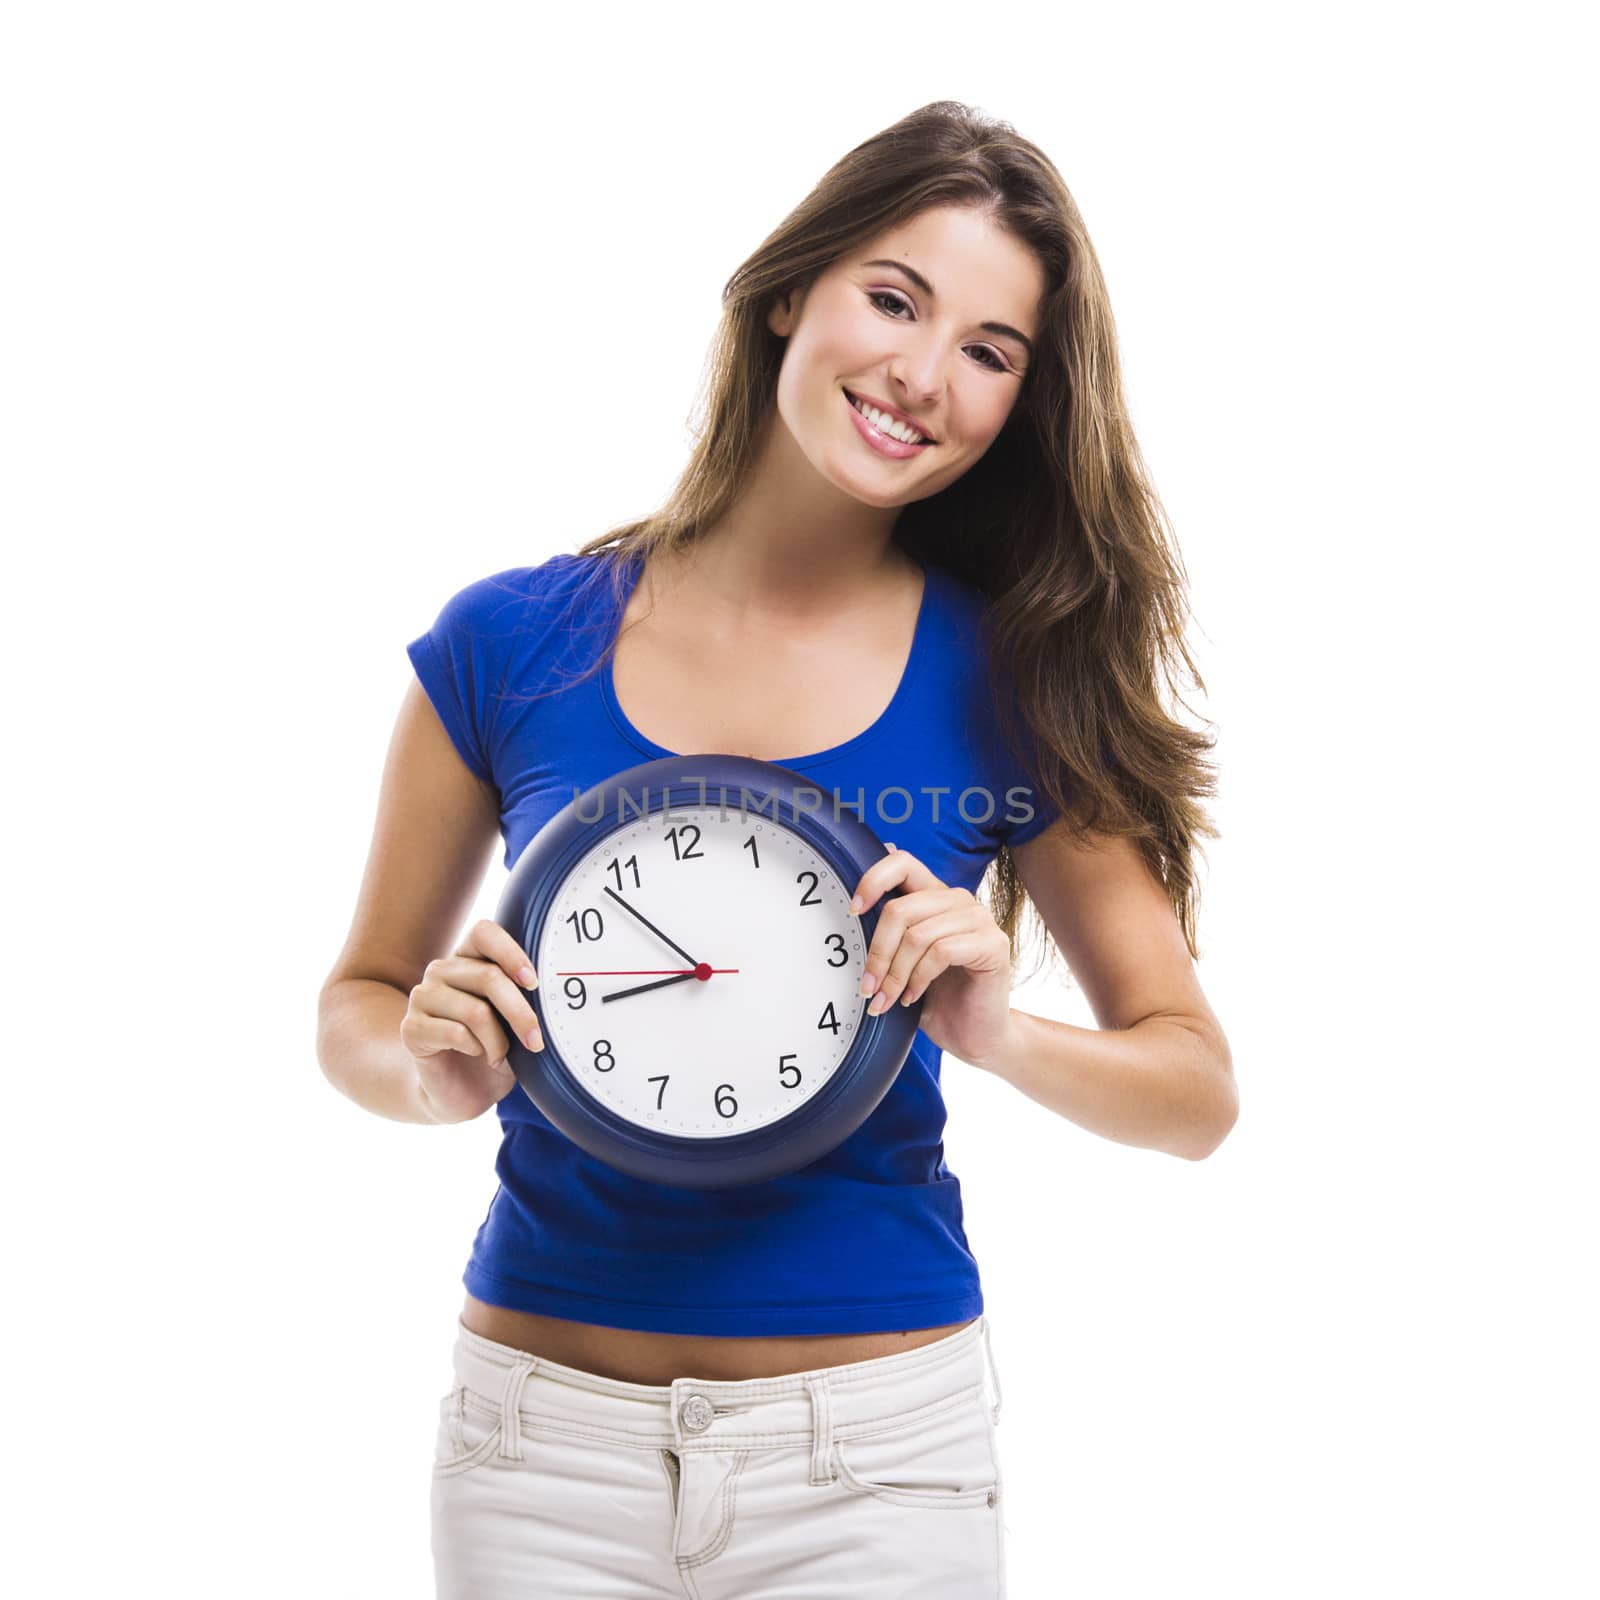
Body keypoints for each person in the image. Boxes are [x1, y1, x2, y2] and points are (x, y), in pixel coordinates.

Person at [318, 99, 1237, 1599]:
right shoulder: (508, 644)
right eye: (895, 298)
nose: (922, 376)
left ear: (1019, 404)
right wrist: (424, 1066)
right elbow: (356, 999)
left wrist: (1000, 1031)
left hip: (873, 1462)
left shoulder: (1015, 678)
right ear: (785, 293)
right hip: (540, 1450)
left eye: (991, 352)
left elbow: (1194, 1094)